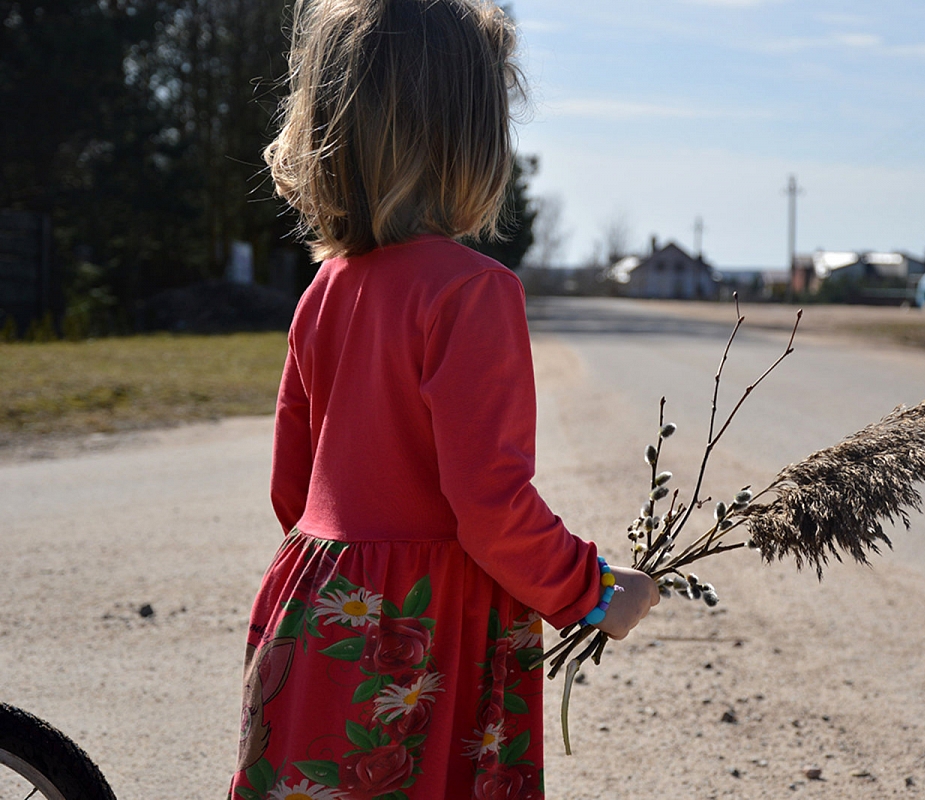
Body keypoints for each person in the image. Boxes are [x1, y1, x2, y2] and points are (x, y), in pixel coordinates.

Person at [228, 2, 659, 799]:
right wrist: (593, 589)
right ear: (471, 139)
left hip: (316, 610)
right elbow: (489, 507)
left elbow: (294, 491)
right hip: (423, 635)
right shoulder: (472, 293)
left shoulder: (325, 289)